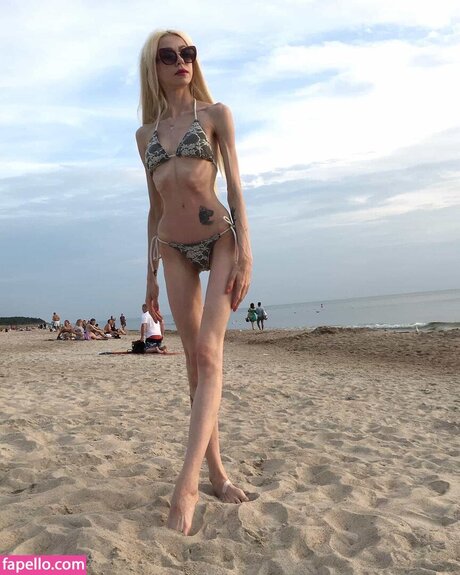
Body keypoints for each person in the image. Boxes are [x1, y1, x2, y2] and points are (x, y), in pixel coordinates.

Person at [136, 29, 252, 535]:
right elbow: (154, 208)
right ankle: (217, 473)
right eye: (169, 55)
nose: (181, 60)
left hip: (220, 238)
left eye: (188, 53)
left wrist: (246, 250)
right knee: (191, 360)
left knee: (208, 352)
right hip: (172, 249)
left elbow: (235, 186)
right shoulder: (144, 135)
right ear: (154, 67)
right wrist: (149, 278)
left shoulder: (216, 115)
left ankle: (186, 487)